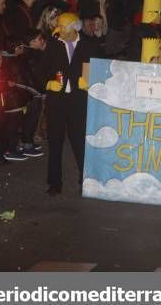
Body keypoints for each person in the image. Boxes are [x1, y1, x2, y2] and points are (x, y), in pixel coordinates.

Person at [35, 13, 103, 196]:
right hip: (56, 101)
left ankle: (85, 179)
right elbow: (39, 71)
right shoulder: (53, 45)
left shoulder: (89, 46)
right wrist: (48, 83)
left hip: (77, 101)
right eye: (58, 26)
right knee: (55, 142)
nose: (58, 30)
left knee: (79, 141)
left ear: (75, 27)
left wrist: (90, 83)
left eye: (63, 26)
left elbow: (100, 70)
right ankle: (55, 182)